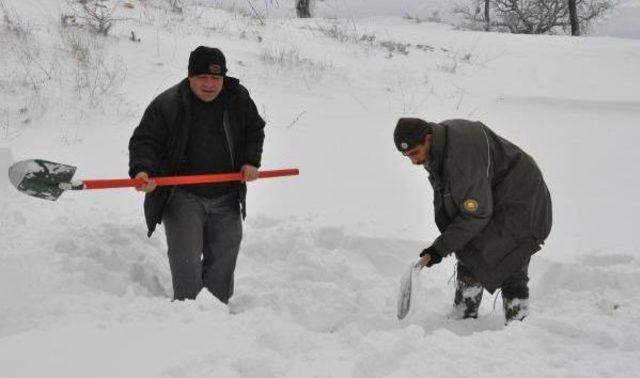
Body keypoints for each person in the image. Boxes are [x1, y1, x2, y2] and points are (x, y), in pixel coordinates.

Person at [128, 46, 266, 303]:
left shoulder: (238, 99)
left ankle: (216, 313)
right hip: (182, 196)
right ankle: (187, 314)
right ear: (190, 76)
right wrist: (142, 170)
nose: (210, 84)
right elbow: (145, 141)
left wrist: (250, 161)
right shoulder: (168, 104)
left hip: (226, 195)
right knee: (186, 260)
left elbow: (254, 130)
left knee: (225, 257)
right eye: (202, 77)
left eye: (216, 78)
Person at [393, 118, 552, 323]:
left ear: (428, 139)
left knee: (511, 257)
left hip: (522, 199)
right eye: (407, 156)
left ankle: (517, 326)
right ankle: (463, 318)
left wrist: (439, 249)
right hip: (495, 193)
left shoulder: (461, 159)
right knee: (470, 248)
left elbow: (475, 214)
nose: (413, 161)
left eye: (414, 153)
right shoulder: (439, 147)